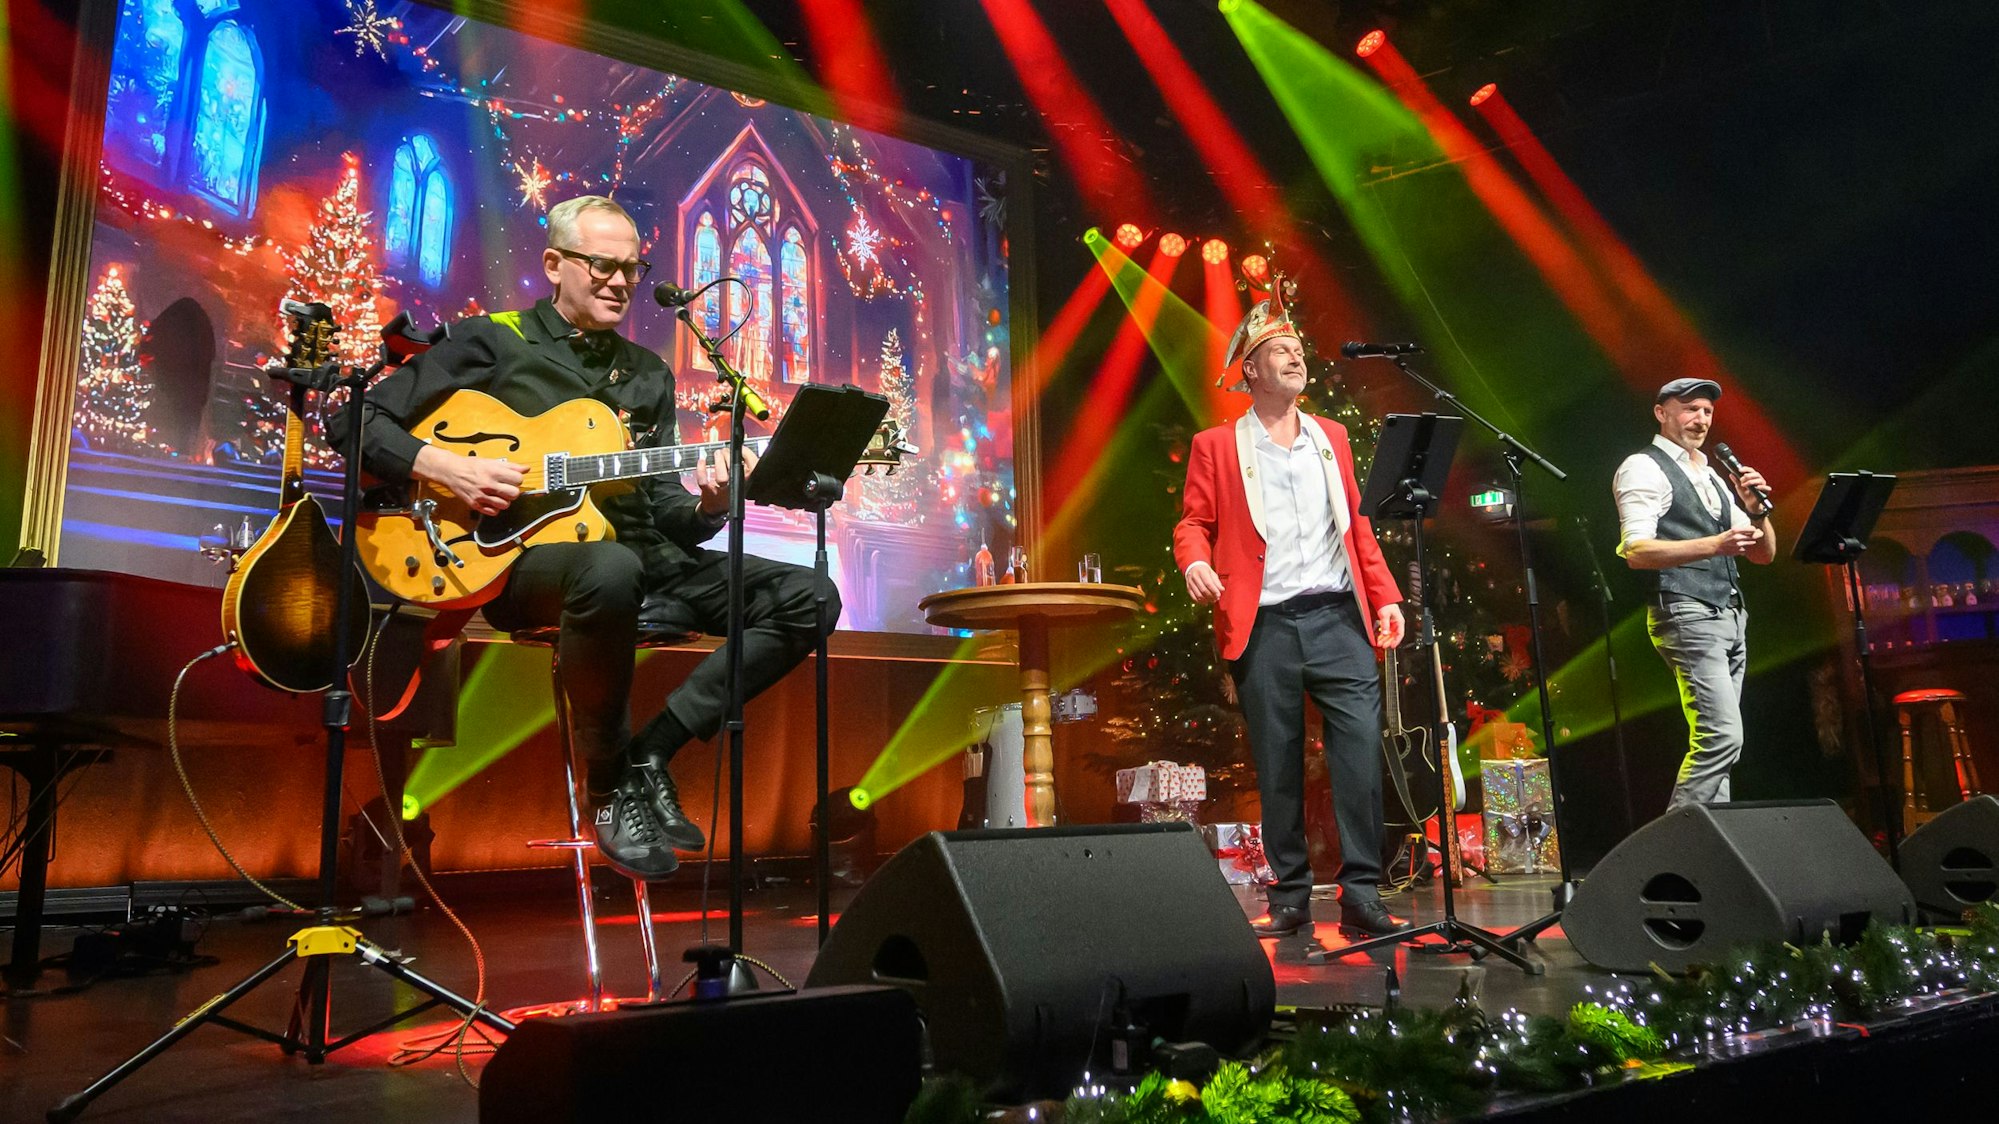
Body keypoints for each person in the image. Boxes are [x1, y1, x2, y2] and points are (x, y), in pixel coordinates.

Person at [337, 195, 835, 879]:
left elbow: (665, 508)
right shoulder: (493, 340)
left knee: (810, 596)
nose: (620, 281)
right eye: (601, 265)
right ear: (554, 264)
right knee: (607, 567)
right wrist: (446, 465)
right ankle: (605, 786)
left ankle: (651, 751)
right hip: (523, 567)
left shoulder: (648, 372)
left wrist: (713, 504)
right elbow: (357, 423)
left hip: (646, 564)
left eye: (632, 268)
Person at [1172, 286, 1410, 940]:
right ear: (1249, 370)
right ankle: (1290, 893)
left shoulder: (1329, 437)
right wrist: (1193, 561)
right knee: (1275, 763)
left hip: (1339, 617)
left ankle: (1361, 892)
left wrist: (1384, 595)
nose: (1295, 358)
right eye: (1279, 351)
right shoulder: (1217, 446)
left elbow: (1357, 528)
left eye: (1299, 350)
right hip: (1265, 623)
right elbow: (1192, 521)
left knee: (1358, 754)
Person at [1613, 376, 1775, 812]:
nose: (1700, 418)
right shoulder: (1643, 467)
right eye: (1690, 408)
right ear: (1661, 412)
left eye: (1707, 411)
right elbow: (1637, 550)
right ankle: (1674, 847)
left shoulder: (1714, 475)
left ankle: (1710, 851)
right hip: (1686, 611)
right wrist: (1715, 544)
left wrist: (1756, 509)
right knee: (1723, 736)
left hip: (1730, 614)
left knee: (1721, 746)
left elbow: (1764, 554)